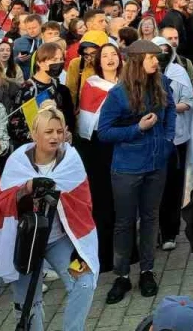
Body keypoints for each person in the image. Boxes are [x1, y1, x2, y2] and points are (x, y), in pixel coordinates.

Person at [0, 104, 98, 331]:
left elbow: (84, 202)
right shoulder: (18, 161)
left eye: (59, 131)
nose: (55, 137)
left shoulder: (71, 160)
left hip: (59, 240)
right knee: (26, 303)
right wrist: (27, 188)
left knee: (84, 282)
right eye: (48, 132)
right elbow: (2, 204)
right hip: (24, 242)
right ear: (34, 134)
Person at [99, 39, 176, 304]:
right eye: (152, 58)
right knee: (124, 222)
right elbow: (104, 132)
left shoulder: (163, 84)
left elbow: (172, 110)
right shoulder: (118, 94)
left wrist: (167, 139)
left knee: (150, 218)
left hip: (157, 164)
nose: (157, 61)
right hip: (127, 169)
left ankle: (147, 270)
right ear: (137, 61)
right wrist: (137, 129)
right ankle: (121, 276)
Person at [76, 42, 122, 270]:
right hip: (99, 150)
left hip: (124, 146)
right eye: (105, 56)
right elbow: (87, 125)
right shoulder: (91, 85)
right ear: (98, 61)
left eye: (114, 54)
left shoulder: (127, 83)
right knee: (103, 202)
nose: (110, 59)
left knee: (122, 202)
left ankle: (126, 254)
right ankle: (103, 256)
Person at [153, 35, 193, 252]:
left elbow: (190, 101)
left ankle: (170, 232)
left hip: (176, 137)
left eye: (165, 50)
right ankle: (153, 232)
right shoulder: (144, 75)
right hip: (151, 138)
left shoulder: (178, 73)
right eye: (157, 51)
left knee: (172, 186)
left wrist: (171, 108)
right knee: (153, 187)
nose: (161, 55)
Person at [9, 41, 76, 151]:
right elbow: (15, 127)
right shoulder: (26, 90)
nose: (59, 63)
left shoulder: (61, 89)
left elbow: (68, 120)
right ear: (40, 62)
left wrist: (67, 133)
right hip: (32, 151)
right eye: (54, 60)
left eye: (60, 59)